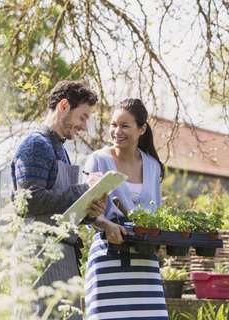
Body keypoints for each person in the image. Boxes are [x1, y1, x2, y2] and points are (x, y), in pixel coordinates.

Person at [10, 81, 108, 320]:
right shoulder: (35, 144)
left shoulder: (60, 149)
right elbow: (29, 201)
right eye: (82, 117)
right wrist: (83, 189)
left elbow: (63, 209)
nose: (84, 126)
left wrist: (92, 209)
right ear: (63, 106)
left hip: (63, 255)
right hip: (39, 255)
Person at [84, 98, 168, 320]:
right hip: (108, 255)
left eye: (125, 125)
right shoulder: (98, 160)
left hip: (144, 260)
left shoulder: (153, 166)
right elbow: (85, 209)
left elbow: (156, 215)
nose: (117, 131)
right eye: (113, 124)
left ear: (142, 129)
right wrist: (106, 224)